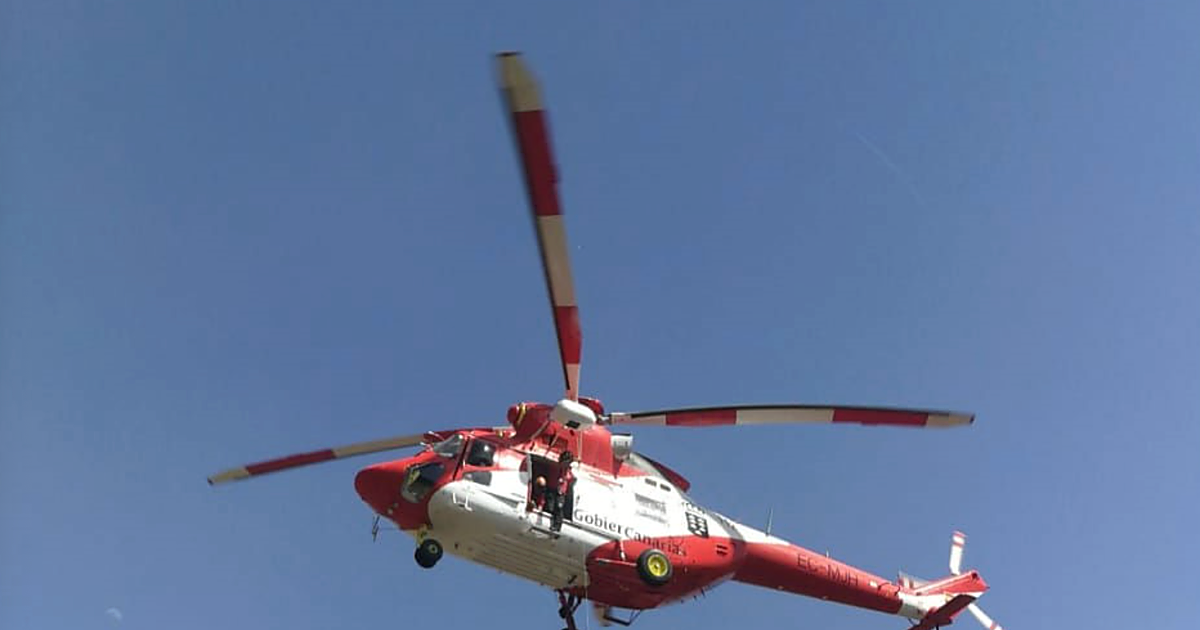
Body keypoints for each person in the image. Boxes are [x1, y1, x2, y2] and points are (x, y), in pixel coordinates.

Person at [550, 450, 575, 532]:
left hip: (562, 492)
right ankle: (554, 523)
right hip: (558, 490)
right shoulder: (562, 470)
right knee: (555, 507)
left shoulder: (568, 471)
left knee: (559, 507)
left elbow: (571, 478)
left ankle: (557, 526)